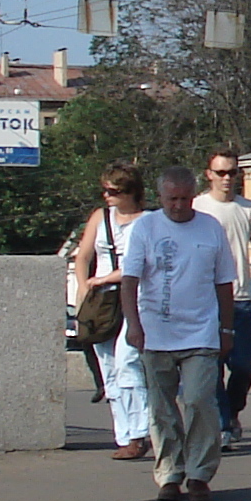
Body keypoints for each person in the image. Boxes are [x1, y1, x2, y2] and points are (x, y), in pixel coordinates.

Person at [120, 165, 237, 501]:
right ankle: (170, 472)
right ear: (161, 197)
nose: (178, 205)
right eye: (172, 199)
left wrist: (226, 328)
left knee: (200, 400)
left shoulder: (210, 228)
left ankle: (199, 474)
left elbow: (223, 282)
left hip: (201, 332)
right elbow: (130, 281)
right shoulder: (146, 227)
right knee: (161, 408)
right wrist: (134, 325)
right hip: (156, 332)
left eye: (185, 199)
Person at [195, 150, 251, 446]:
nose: (227, 178)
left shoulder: (249, 209)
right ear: (209, 175)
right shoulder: (197, 207)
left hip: (239, 298)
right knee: (211, 365)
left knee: (242, 365)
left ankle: (233, 409)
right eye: (221, 173)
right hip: (204, 299)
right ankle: (223, 424)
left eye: (232, 173)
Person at [75, 164, 152, 460]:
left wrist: (105, 278)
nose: (107, 196)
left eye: (115, 191)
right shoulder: (101, 218)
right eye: (105, 190)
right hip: (103, 300)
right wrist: (85, 288)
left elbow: (142, 264)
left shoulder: (148, 221)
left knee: (127, 362)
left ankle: (140, 432)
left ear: (132, 193)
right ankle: (123, 435)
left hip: (136, 296)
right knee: (108, 368)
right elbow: (83, 255)